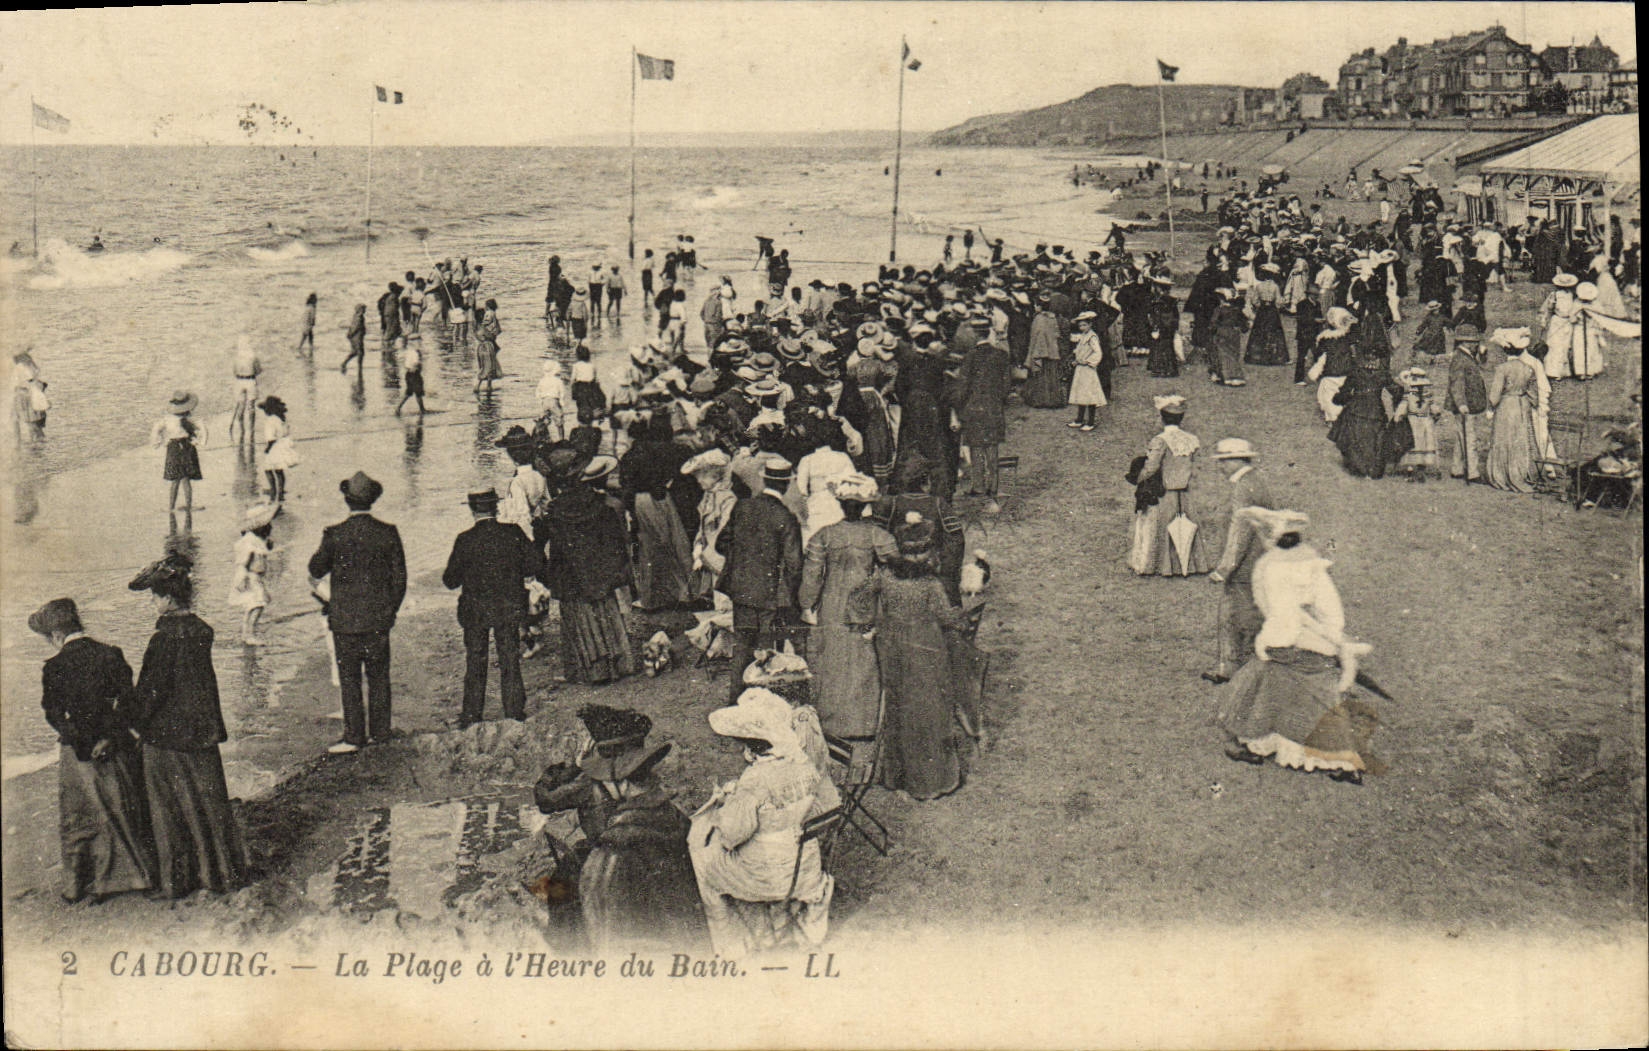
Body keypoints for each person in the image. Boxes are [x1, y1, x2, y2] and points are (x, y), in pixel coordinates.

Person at [1211, 508, 1377, 784]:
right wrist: (1334, 639)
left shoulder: (1270, 568)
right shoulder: (1314, 565)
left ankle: (1247, 738)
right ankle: (1337, 759)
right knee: (1302, 692)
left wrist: (1267, 642)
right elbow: (1330, 610)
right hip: (1317, 648)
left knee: (1249, 686)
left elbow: (1280, 617)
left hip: (1288, 646)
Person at [532, 705, 705, 952]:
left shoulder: (589, 782)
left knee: (563, 892)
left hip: (608, 853)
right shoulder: (666, 807)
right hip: (652, 869)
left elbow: (545, 799)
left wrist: (575, 765)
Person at [126, 555, 250, 896]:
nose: (153, 603)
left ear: (166, 598)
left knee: (167, 813)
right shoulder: (200, 631)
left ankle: (175, 882)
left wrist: (132, 721)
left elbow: (150, 691)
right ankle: (223, 874)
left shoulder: (163, 639)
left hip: (166, 737)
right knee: (210, 806)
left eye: (154, 596)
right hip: (202, 732)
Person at [30, 597, 158, 904]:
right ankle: (139, 876)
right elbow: (129, 702)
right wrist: (110, 738)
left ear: (56, 636)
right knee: (123, 810)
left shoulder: (55, 667)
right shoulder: (111, 654)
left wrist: (84, 744)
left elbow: (54, 714)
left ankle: (80, 884)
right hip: (114, 748)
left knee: (80, 818)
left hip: (77, 754)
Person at [688, 687, 833, 956]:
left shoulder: (755, 779)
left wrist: (723, 809)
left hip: (772, 875)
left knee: (702, 860)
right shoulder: (804, 764)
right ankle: (776, 919)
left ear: (751, 746)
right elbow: (818, 805)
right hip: (806, 866)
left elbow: (733, 835)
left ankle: (732, 944)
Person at [846, 513, 966, 800]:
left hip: (893, 648)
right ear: (925, 553)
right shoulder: (930, 585)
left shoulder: (885, 576)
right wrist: (962, 618)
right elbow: (946, 617)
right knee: (929, 710)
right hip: (927, 650)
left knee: (899, 708)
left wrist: (866, 625)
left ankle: (897, 775)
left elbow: (858, 596)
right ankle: (930, 780)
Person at [307, 471, 407, 754]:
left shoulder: (335, 534)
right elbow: (400, 580)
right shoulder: (388, 532)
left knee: (349, 679)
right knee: (379, 677)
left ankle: (354, 737)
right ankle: (380, 732)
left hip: (345, 620)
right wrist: (390, 611)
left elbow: (315, 569)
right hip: (378, 619)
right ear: (373, 500)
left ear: (347, 500)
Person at [797, 474, 895, 739]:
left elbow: (812, 576)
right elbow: (893, 568)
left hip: (832, 602)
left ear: (841, 505)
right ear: (864, 506)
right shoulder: (877, 535)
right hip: (864, 603)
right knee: (863, 661)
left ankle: (833, 723)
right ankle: (863, 723)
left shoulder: (824, 535)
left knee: (833, 661)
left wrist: (807, 603)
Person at [443, 489, 543, 728]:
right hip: (508, 605)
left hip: (475, 608)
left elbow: (450, 580)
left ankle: (472, 714)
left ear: (472, 509)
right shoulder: (512, 533)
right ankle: (514, 711)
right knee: (509, 656)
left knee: (475, 658)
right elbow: (534, 564)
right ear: (496, 508)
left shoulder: (465, 539)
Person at [541, 456, 637, 684]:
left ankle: (590, 670)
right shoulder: (599, 504)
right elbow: (614, 542)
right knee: (606, 613)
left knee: (579, 618)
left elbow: (548, 546)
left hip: (572, 575)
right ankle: (619, 664)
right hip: (600, 572)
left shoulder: (555, 510)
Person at [716, 457, 803, 702]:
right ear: (785, 485)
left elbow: (721, 544)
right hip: (769, 594)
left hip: (741, 590)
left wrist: (745, 559)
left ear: (764, 479)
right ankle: (763, 705)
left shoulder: (742, 507)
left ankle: (735, 701)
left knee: (742, 646)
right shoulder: (786, 517)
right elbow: (795, 565)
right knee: (768, 651)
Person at [1203, 439, 1275, 684]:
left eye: (1223, 462)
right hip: (1260, 561)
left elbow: (1240, 532)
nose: (1221, 467)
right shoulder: (1256, 481)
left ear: (1236, 461)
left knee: (1233, 616)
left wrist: (1224, 568)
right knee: (1250, 615)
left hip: (1245, 565)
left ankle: (1232, 669)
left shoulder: (1243, 488)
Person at [1129, 394, 1212, 577]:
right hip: (1184, 493)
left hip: (1164, 493)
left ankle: (1160, 565)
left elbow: (1151, 467)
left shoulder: (1160, 440)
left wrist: (1138, 478)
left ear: (1162, 417)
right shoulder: (1190, 439)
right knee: (1186, 527)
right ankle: (1189, 565)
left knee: (1159, 528)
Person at [956, 331, 1013, 512]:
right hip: (994, 409)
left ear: (975, 337)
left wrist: (958, 405)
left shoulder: (970, 357)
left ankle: (979, 487)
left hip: (974, 409)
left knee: (976, 449)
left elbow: (963, 386)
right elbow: (1006, 384)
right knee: (992, 448)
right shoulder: (1001, 355)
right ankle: (993, 488)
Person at [1484, 340, 1544, 493]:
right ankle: (1519, 473)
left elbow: (1495, 394)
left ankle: (1501, 475)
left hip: (1506, 405)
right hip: (1522, 405)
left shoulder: (1502, 369)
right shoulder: (1528, 368)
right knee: (1520, 439)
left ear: (1505, 351)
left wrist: (1491, 406)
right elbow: (1534, 396)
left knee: (1503, 439)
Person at [1328, 358, 1396, 479]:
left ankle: (1359, 468)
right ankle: (1372, 469)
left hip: (1357, 409)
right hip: (1375, 410)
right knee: (1375, 439)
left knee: (1354, 436)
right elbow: (1396, 391)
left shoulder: (1356, 373)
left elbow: (1343, 393)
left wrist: (1339, 399)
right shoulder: (1383, 375)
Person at [683, 449, 737, 600]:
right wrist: (699, 544)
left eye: (703, 476)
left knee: (724, 601)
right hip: (709, 556)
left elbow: (724, 533)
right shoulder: (708, 496)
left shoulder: (727, 499)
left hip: (720, 558)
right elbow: (703, 525)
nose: (699, 481)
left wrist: (705, 553)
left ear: (716, 476)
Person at [1444, 325, 1490, 484]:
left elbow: (1483, 365)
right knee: (1469, 438)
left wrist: (1483, 355)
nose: (1476, 344)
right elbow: (1456, 384)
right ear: (1465, 342)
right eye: (1473, 342)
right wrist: (1461, 404)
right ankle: (1473, 472)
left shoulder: (1467, 355)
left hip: (1469, 404)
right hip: (1465, 406)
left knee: (1460, 436)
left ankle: (1456, 469)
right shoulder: (1459, 359)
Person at [229, 504, 278, 645]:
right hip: (251, 578)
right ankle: (249, 634)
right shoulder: (249, 542)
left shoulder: (256, 540)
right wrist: (242, 579)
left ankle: (246, 633)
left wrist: (268, 545)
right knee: (257, 605)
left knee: (252, 606)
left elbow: (263, 551)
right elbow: (243, 562)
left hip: (255, 577)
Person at [151, 391, 204, 513]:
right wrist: (200, 441)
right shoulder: (189, 419)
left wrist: (157, 443)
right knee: (186, 478)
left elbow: (156, 429)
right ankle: (189, 505)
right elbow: (201, 428)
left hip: (173, 448)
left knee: (175, 479)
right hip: (187, 447)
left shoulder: (167, 419)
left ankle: (171, 507)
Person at [1392, 368, 1442, 482]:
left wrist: (1398, 416)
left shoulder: (1410, 394)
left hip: (1414, 421)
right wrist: (1436, 414)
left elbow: (1403, 407)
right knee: (1422, 444)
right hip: (1423, 421)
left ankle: (1413, 471)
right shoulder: (1427, 394)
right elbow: (1434, 407)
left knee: (1415, 444)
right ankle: (1418, 469)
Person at [1310, 307, 1357, 423]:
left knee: (1328, 396)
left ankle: (1331, 418)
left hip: (1330, 372)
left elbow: (1317, 354)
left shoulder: (1324, 338)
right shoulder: (1347, 337)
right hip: (1345, 370)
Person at [1022, 297, 1067, 408]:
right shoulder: (1052, 318)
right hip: (1052, 349)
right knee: (1051, 375)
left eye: (1036, 305)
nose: (1035, 307)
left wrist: (1034, 351)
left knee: (1041, 375)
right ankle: (1053, 399)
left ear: (1039, 306)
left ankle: (1041, 400)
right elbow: (1056, 334)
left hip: (1040, 349)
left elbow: (1035, 335)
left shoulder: (1038, 319)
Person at [1067, 311, 1107, 431]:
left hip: (1088, 369)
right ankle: (1079, 419)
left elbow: (1098, 352)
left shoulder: (1092, 337)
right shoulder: (1083, 336)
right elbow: (1079, 351)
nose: (1082, 327)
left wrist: (1088, 361)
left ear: (1090, 325)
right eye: (1080, 326)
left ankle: (1090, 421)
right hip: (1081, 369)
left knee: (1089, 395)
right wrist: (1076, 360)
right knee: (1081, 393)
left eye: (1084, 325)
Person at [1243, 264, 1290, 365]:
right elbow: (1279, 301)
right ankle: (1274, 357)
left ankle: (1257, 356)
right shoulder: (1275, 287)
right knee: (1274, 332)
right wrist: (1278, 305)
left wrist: (1260, 305)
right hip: (1272, 310)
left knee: (1259, 331)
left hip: (1262, 310)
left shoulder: (1259, 286)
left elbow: (1254, 300)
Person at [258, 396, 297, 504]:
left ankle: (273, 491)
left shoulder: (270, 421)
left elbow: (270, 438)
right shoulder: (282, 418)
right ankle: (280, 493)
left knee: (268, 469)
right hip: (284, 445)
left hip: (275, 447)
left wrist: (267, 449)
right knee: (279, 470)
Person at [227, 334, 261, 445]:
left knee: (240, 406)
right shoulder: (253, 356)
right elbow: (258, 370)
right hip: (250, 380)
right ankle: (251, 429)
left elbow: (234, 371)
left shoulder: (236, 357)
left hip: (239, 381)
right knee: (251, 407)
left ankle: (241, 429)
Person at [475, 299, 504, 394]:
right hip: (488, 347)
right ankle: (485, 386)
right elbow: (494, 334)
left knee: (484, 366)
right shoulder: (486, 328)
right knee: (490, 366)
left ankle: (483, 386)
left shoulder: (477, 329)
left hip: (480, 348)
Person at [394, 339, 426, 416]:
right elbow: (415, 364)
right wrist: (417, 368)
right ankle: (422, 409)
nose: (421, 344)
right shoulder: (415, 353)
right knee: (418, 392)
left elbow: (401, 359)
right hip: (414, 374)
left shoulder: (408, 351)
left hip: (408, 374)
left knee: (409, 392)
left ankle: (398, 408)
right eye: (419, 343)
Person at [341, 303, 367, 373]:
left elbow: (352, 327)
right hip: (357, 337)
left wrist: (350, 334)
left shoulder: (356, 316)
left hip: (356, 337)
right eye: (364, 309)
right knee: (359, 352)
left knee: (355, 352)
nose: (365, 311)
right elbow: (356, 327)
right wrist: (351, 333)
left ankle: (345, 363)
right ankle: (359, 366)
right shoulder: (359, 317)